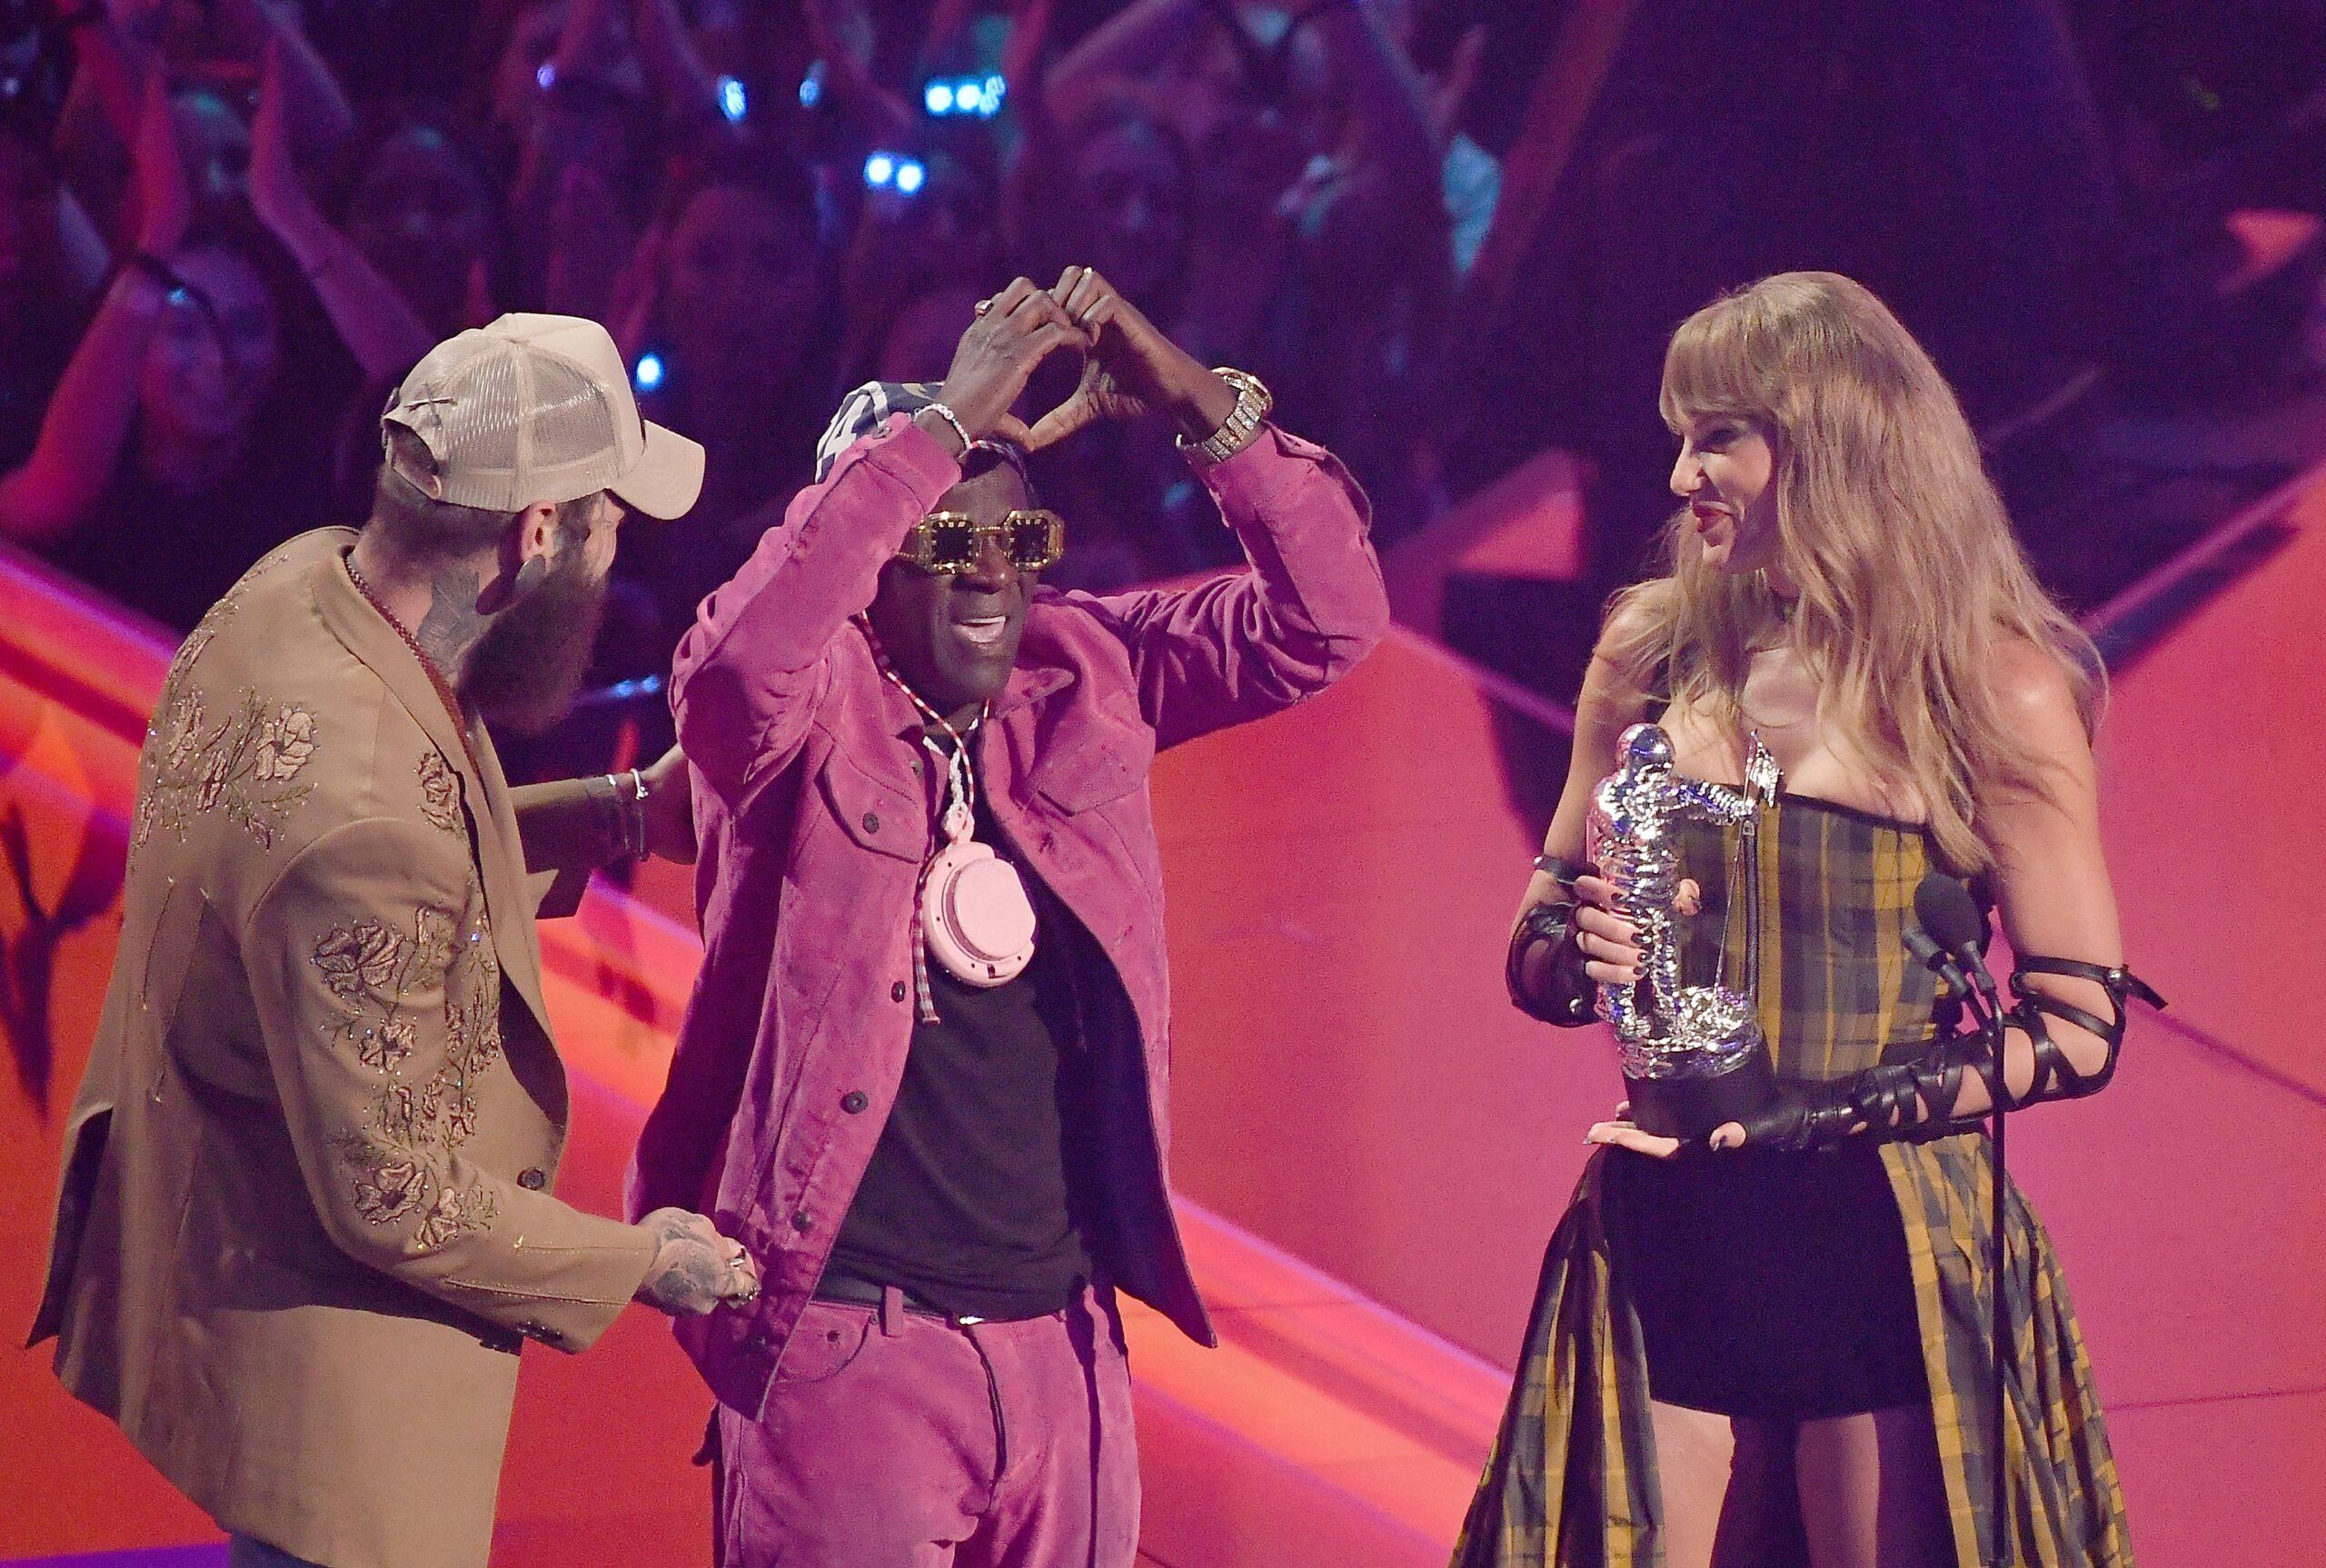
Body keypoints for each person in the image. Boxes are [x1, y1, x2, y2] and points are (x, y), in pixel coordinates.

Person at [624, 265, 1389, 1566]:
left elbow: (1329, 621)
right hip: (854, 1353)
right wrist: (937, 426)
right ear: (869, 556)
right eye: (941, 535)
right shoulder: (798, 721)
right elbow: (738, 665)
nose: (989, 571)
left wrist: (1193, 397)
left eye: (1018, 540)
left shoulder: (1087, 669)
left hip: (1064, 1357)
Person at [30, 313, 760, 1568]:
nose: (620, 541)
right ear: (534, 536)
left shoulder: (304, 583)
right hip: (327, 1387)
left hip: (220, 1258)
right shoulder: (358, 817)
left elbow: (405, 845)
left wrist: (622, 812)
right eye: (603, 514)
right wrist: (648, 1258)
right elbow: (397, 1200)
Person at [1456, 273, 2152, 1568]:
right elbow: (1544, 936)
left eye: (1717, 435)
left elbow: (2079, 1023)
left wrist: (1827, 1114)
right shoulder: (1650, 654)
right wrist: (1575, 948)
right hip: (1666, 1228)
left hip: (1883, 1240)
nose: (1679, 477)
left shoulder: (1992, 686)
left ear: (1830, 441)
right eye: (1679, 435)